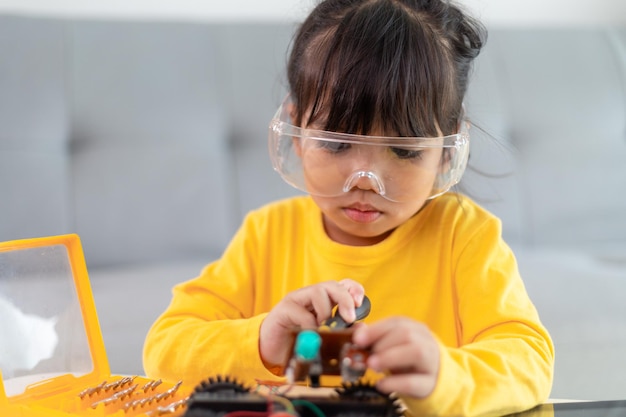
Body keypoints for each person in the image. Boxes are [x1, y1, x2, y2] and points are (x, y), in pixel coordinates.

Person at [143, 0, 554, 415]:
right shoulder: (266, 235)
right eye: (337, 143)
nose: (363, 179)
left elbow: (528, 359)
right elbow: (165, 346)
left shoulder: (464, 236)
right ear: (298, 132)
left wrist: (445, 377)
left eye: (403, 150)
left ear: (447, 151)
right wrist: (263, 340)